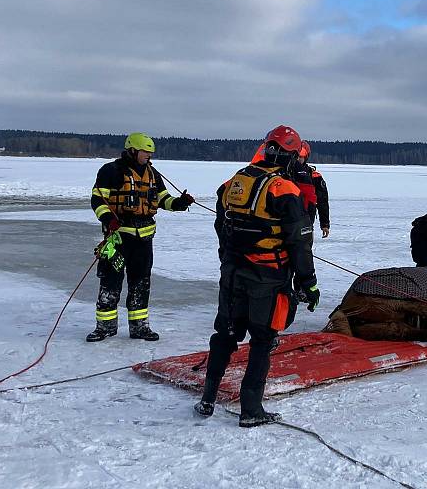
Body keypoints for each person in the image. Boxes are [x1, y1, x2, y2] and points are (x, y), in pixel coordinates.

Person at [194, 125, 319, 428]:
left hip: (232, 273)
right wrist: (308, 283)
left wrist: (229, 260)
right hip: (267, 277)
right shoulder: (283, 190)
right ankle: (251, 409)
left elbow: (221, 227)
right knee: (263, 339)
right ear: (289, 156)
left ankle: (207, 398)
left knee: (225, 332)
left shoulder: (233, 182)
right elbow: (300, 243)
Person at [87, 133, 194, 342]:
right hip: (118, 239)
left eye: (150, 152)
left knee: (141, 283)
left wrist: (180, 203)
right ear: (132, 151)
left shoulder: (153, 174)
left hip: (143, 240)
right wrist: (109, 219)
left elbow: (163, 199)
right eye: (145, 151)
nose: (148, 155)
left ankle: (139, 327)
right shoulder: (111, 171)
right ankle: (105, 327)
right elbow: (98, 199)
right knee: (110, 282)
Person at [291, 140, 330, 242]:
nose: (298, 160)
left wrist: (324, 224)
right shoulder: (285, 174)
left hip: (306, 221)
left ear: (306, 157)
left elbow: (322, 201)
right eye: (296, 157)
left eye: (301, 157)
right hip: (287, 220)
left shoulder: (315, 177)